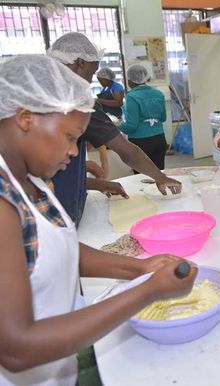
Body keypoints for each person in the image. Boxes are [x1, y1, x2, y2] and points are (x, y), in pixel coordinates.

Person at [0, 54, 196, 386]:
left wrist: (140, 268)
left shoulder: (28, 178)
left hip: (58, 365)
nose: (76, 152)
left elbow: (57, 248)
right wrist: (147, 291)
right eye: (69, 137)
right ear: (25, 118)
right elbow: (17, 349)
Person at [47, 32, 181, 226]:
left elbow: (50, 171)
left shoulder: (36, 91)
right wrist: (160, 177)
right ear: (80, 63)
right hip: (58, 215)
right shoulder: (76, 100)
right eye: (92, 74)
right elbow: (127, 150)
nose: (74, 151)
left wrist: (90, 180)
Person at [118, 64, 168, 171]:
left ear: (131, 81)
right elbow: (163, 118)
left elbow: (131, 126)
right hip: (159, 139)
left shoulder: (132, 96)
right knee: (158, 173)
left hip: (141, 142)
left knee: (141, 176)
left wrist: (118, 126)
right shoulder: (158, 94)